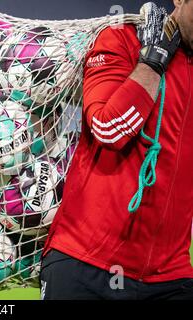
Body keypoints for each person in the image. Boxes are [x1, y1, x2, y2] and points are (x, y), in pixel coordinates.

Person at [40, 1, 193, 300]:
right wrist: (152, 62)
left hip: (170, 276)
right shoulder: (122, 39)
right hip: (84, 264)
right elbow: (109, 130)